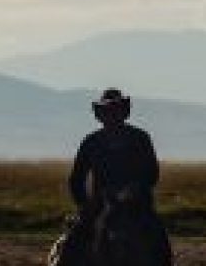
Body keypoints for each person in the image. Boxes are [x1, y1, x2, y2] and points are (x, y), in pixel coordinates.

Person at [68, 88, 160, 224]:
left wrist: (135, 189)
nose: (112, 115)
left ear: (124, 112)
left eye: (116, 110)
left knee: (157, 238)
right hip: (100, 206)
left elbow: (152, 173)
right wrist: (85, 205)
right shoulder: (91, 142)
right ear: (100, 115)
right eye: (107, 111)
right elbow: (76, 179)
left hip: (137, 207)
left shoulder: (140, 138)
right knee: (73, 241)